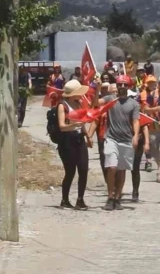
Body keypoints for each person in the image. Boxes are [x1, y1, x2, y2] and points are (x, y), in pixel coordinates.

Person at [99, 75, 141, 211]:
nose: (122, 87)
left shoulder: (134, 104)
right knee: (111, 168)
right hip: (111, 138)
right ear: (116, 86)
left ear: (128, 87)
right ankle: (110, 196)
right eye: (120, 84)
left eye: (125, 84)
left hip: (126, 140)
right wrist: (97, 88)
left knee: (122, 170)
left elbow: (135, 121)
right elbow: (95, 103)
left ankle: (117, 198)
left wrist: (135, 136)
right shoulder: (110, 99)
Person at [56, 80, 92, 210]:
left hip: (79, 138)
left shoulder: (78, 104)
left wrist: (87, 136)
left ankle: (80, 199)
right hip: (67, 140)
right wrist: (73, 125)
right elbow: (62, 126)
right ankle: (65, 199)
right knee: (70, 171)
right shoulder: (62, 105)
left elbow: (82, 123)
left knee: (83, 169)